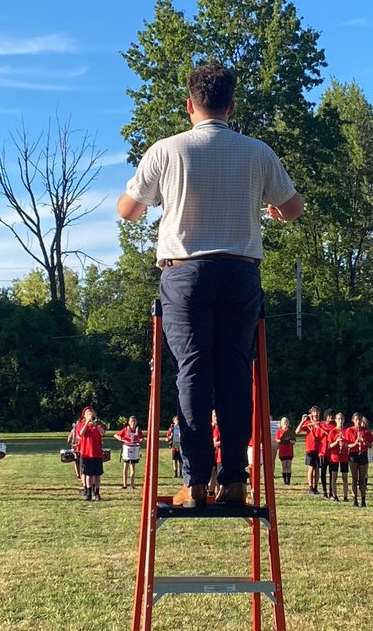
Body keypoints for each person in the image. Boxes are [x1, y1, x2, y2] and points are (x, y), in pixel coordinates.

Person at [117, 63, 304, 508]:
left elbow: (128, 210)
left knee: (193, 374)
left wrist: (149, 200)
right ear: (231, 106)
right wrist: (272, 209)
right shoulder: (258, 152)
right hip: (241, 274)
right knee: (236, 374)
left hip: (185, 274)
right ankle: (236, 480)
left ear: (189, 106)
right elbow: (293, 208)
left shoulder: (166, 150)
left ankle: (196, 481)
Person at [344, 413, 373, 507]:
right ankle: (355, 500)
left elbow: (372, 443)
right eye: (356, 420)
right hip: (353, 455)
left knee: (362, 479)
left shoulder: (366, 430)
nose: (358, 422)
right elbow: (346, 445)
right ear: (353, 420)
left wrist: (364, 442)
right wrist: (355, 443)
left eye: (359, 420)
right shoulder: (349, 430)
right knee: (354, 478)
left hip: (363, 455)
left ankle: (363, 500)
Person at [76, 407, 107, 501]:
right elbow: (80, 434)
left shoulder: (99, 424)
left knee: (97, 474)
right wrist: (87, 423)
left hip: (97, 453)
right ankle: (88, 493)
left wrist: (96, 424)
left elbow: (103, 433)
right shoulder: (81, 424)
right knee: (88, 474)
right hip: (86, 453)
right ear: (84, 415)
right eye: (88, 413)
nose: (90, 414)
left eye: (92, 412)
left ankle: (97, 493)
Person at [296, 407, 322, 494]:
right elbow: (297, 431)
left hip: (319, 448)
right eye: (314, 412)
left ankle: (316, 487)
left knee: (317, 468)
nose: (316, 414)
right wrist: (303, 421)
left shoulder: (320, 423)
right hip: (310, 448)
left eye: (317, 412)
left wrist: (312, 420)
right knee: (311, 467)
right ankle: (310, 487)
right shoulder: (308, 423)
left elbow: (319, 428)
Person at [115, 416, 145, 490]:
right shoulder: (126, 429)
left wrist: (141, 440)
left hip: (135, 448)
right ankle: (125, 484)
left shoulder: (138, 430)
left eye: (134, 421)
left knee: (133, 467)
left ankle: (132, 484)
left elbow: (142, 438)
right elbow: (116, 435)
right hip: (127, 448)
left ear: (136, 422)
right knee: (125, 467)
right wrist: (121, 439)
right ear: (129, 422)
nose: (133, 423)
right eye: (131, 421)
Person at [325, 411, 349, 502]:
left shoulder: (346, 431)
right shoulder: (333, 431)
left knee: (345, 477)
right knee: (334, 477)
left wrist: (346, 443)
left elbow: (349, 443)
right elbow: (329, 446)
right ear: (335, 420)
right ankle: (334, 495)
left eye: (342, 419)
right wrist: (336, 441)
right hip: (334, 457)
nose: (340, 420)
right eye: (339, 419)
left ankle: (345, 496)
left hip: (344, 456)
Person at [316, 409, 335, 498]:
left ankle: (331, 491)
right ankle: (324, 491)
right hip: (323, 452)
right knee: (323, 473)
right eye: (329, 415)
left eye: (332, 415)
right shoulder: (321, 425)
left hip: (332, 452)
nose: (331, 417)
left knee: (332, 473)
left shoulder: (335, 426)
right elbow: (317, 436)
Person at [275, 417, 295, 485]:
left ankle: (288, 480)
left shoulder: (290, 431)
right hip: (282, 450)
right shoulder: (279, 431)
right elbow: (277, 440)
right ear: (281, 423)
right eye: (284, 422)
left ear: (288, 423)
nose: (285, 423)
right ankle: (284, 480)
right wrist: (281, 440)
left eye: (286, 421)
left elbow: (294, 441)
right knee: (284, 465)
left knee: (289, 465)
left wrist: (289, 440)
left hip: (289, 450)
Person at [209, 410, 222, 495]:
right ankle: (211, 492)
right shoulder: (213, 428)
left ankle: (216, 492)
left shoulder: (219, 427)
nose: (216, 418)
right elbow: (214, 443)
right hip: (212, 454)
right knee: (212, 474)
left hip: (218, 455)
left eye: (217, 416)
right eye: (214, 416)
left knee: (218, 475)